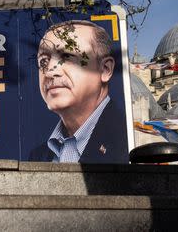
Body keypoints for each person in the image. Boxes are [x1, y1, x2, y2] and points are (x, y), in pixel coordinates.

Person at [28, 20, 127, 163]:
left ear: (105, 69)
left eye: (67, 57)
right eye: (43, 61)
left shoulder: (126, 137)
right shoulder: (38, 156)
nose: (49, 71)